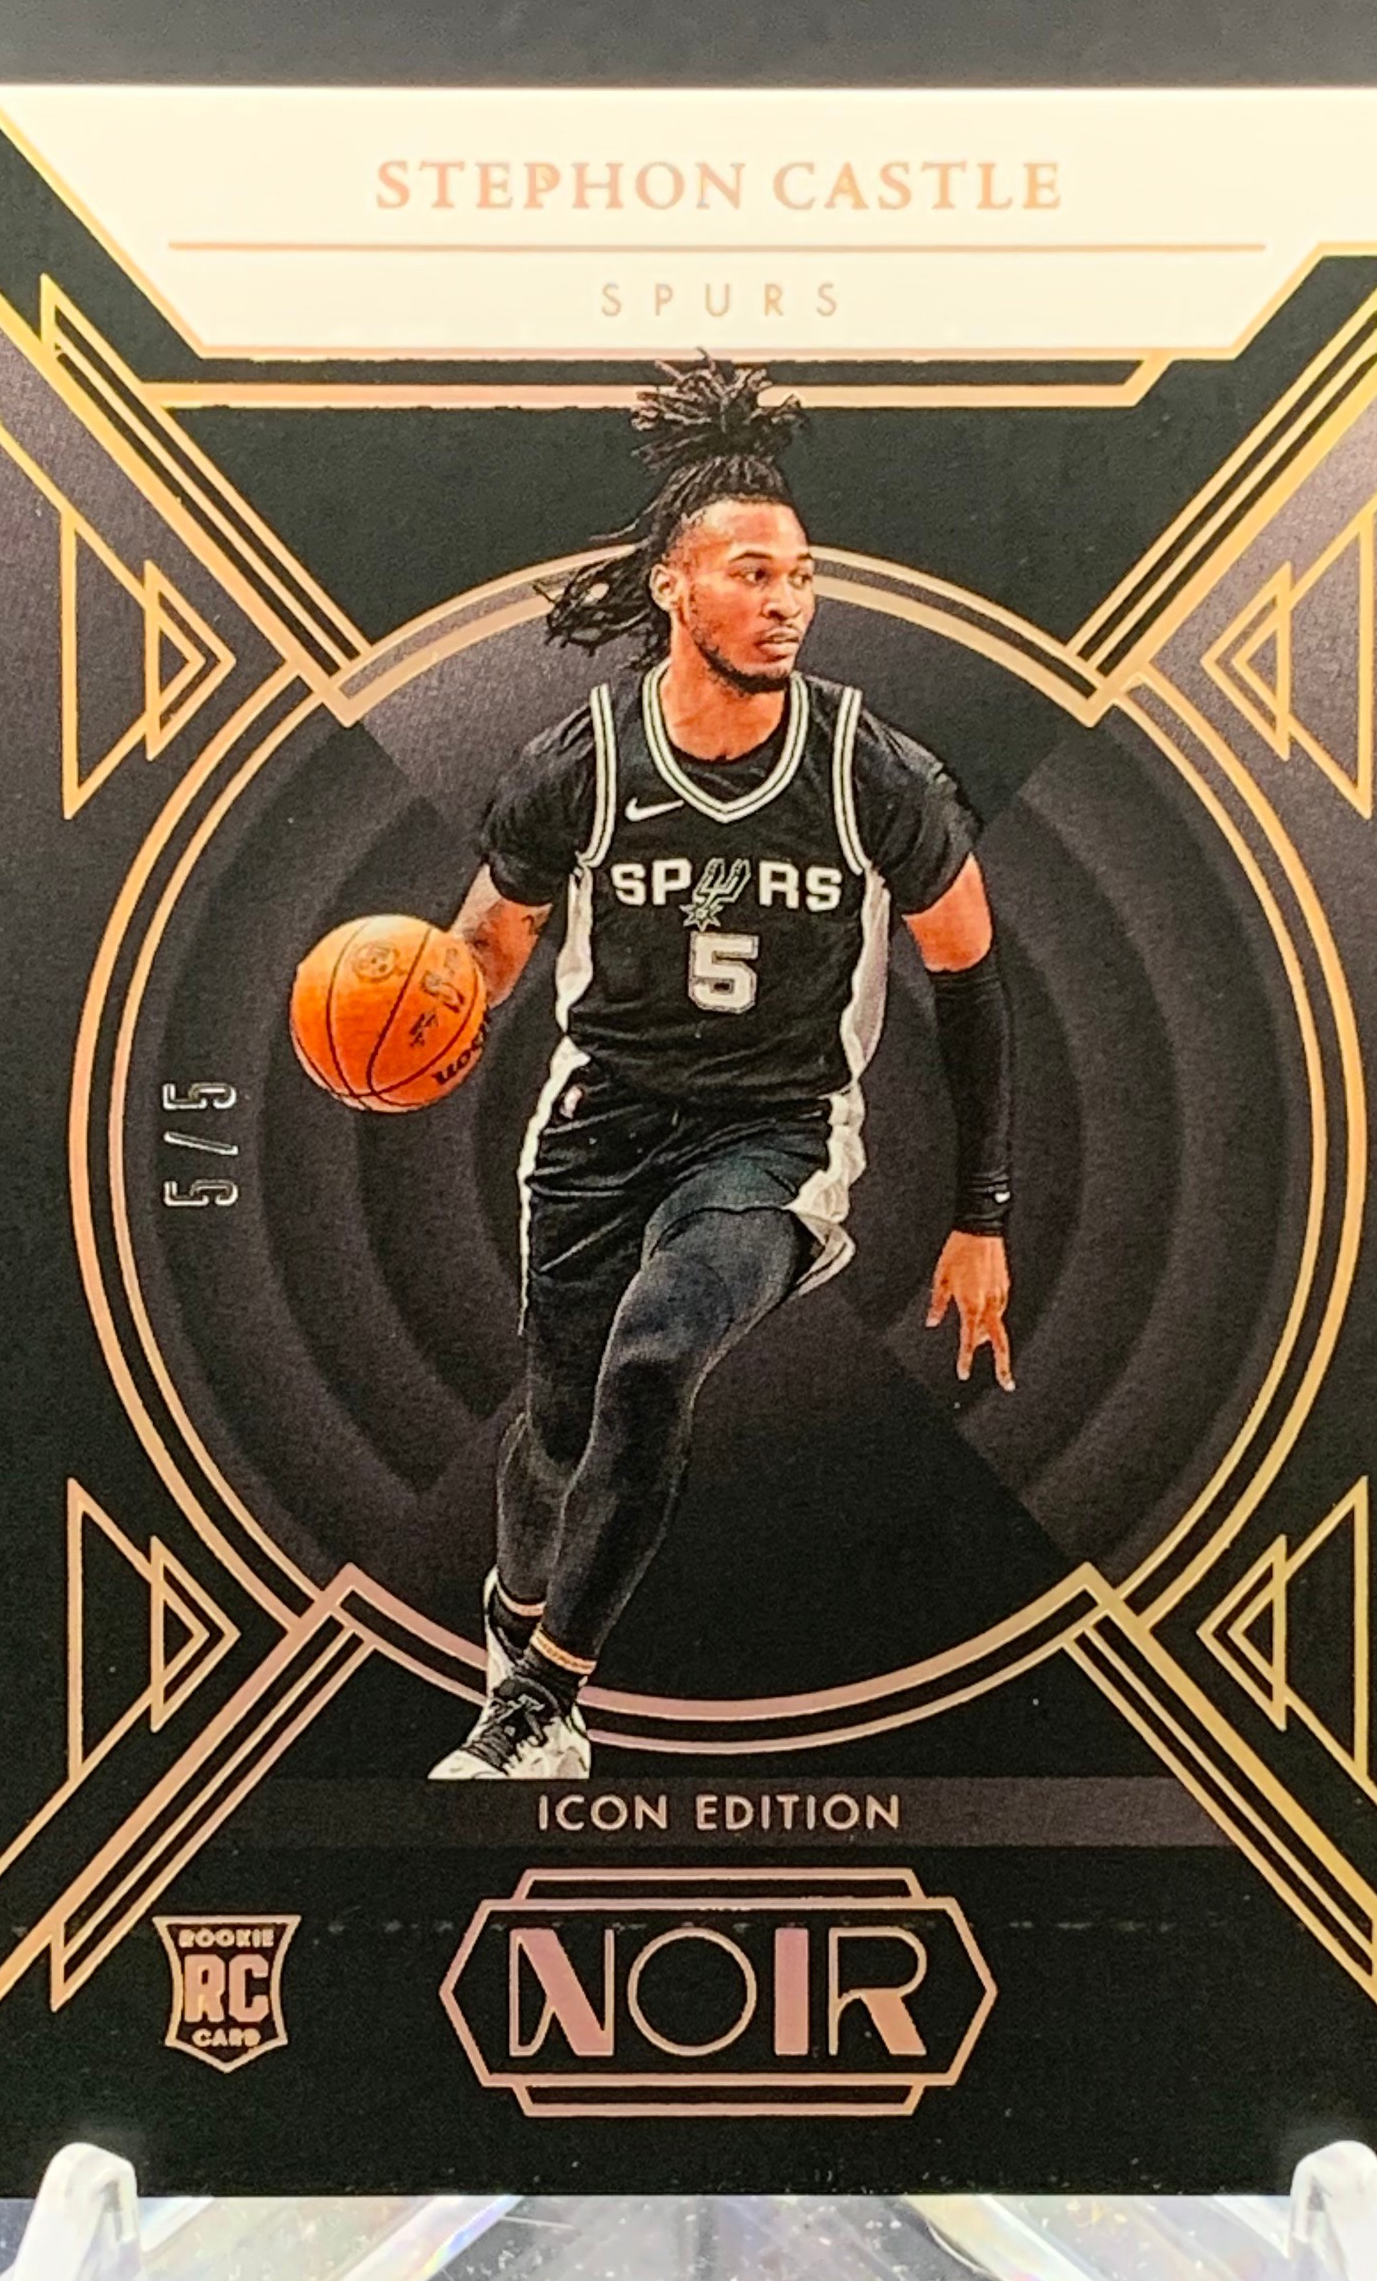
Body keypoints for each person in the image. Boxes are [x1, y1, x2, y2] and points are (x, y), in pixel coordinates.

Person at [432, 361, 1016, 1781]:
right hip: (598, 1124)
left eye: (802, 576)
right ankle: (518, 1622)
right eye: (753, 573)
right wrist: (410, 1023)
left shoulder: (873, 770)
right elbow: (485, 951)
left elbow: (971, 980)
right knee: (557, 1424)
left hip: (771, 1135)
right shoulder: (580, 761)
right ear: (674, 588)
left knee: (652, 1364)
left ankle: (541, 1706)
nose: (787, 600)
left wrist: (980, 1214)